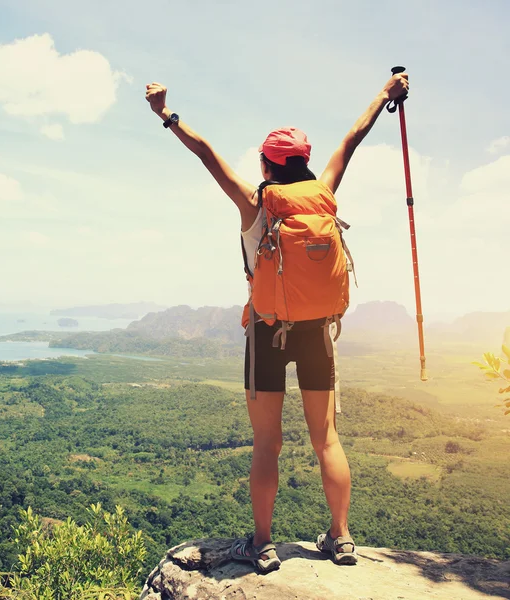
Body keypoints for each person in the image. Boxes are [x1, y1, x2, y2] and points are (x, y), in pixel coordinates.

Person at [145, 72, 409, 572]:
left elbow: (205, 154)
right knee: (326, 438)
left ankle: (262, 543)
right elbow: (353, 137)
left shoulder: (256, 202)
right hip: (317, 332)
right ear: (305, 162)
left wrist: (165, 114)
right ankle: (341, 536)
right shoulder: (324, 192)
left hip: (267, 332)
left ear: (267, 162)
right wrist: (386, 94)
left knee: (267, 442)